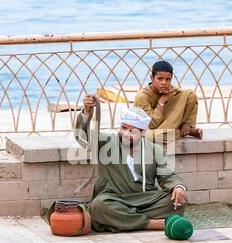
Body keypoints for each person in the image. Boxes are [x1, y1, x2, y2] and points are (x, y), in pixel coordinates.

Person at [73, 94, 188, 232]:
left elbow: (167, 176)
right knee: (98, 206)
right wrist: (86, 112)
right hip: (115, 198)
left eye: (132, 130)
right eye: (123, 128)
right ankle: (152, 223)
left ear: (142, 133)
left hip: (146, 199)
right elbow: (82, 135)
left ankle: (124, 220)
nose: (126, 134)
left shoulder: (154, 150)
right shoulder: (107, 142)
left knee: (178, 201)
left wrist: (178, 187)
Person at [135, 60, 203, 144]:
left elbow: (186, 98)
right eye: (160, 79)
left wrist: (187, 123)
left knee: (190, 94)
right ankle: (185, 132)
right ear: (152, 78)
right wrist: (162, 101)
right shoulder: (142, 96)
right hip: (150, 128)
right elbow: (152, 124)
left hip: (166, 125)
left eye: (168, 79)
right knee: (152, 137)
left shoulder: (171, 90)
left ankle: (186, 128)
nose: (164, 83)